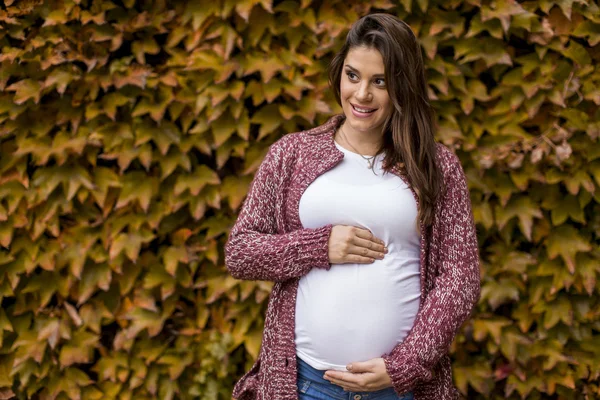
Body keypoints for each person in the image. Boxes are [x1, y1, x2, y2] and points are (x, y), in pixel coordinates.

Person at [225, 13, 480, 400]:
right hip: (306, 384)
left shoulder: (435, 165)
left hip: (399, 389)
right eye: (353, 75)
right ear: (339, 75)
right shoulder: (291, 154)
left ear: (402, 87)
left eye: (380, 82)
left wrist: (405, 365)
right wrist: (319, 246)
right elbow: (240, 252)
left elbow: (459, 277)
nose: (362, 95)